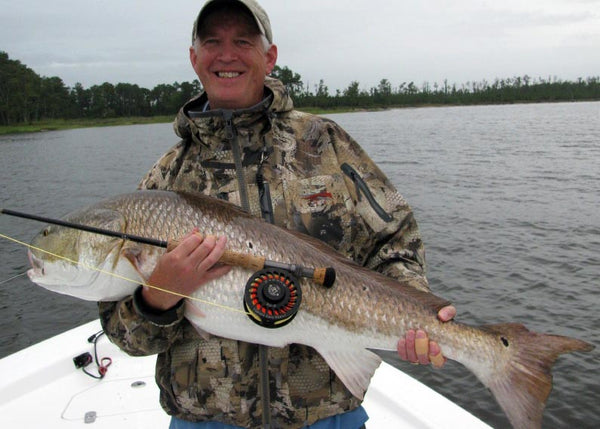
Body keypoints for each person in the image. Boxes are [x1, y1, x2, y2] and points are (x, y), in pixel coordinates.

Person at [99, 1, 456, 428]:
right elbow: (127, 339)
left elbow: (395, 239)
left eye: (242, 41)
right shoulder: (164, 181)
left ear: (269, 56)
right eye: (212, 42)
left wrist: (413, 307)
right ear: (194, 58)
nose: (226, 54)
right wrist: (158, 297)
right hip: (205, 421)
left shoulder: (325, 143)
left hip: (325, 417)